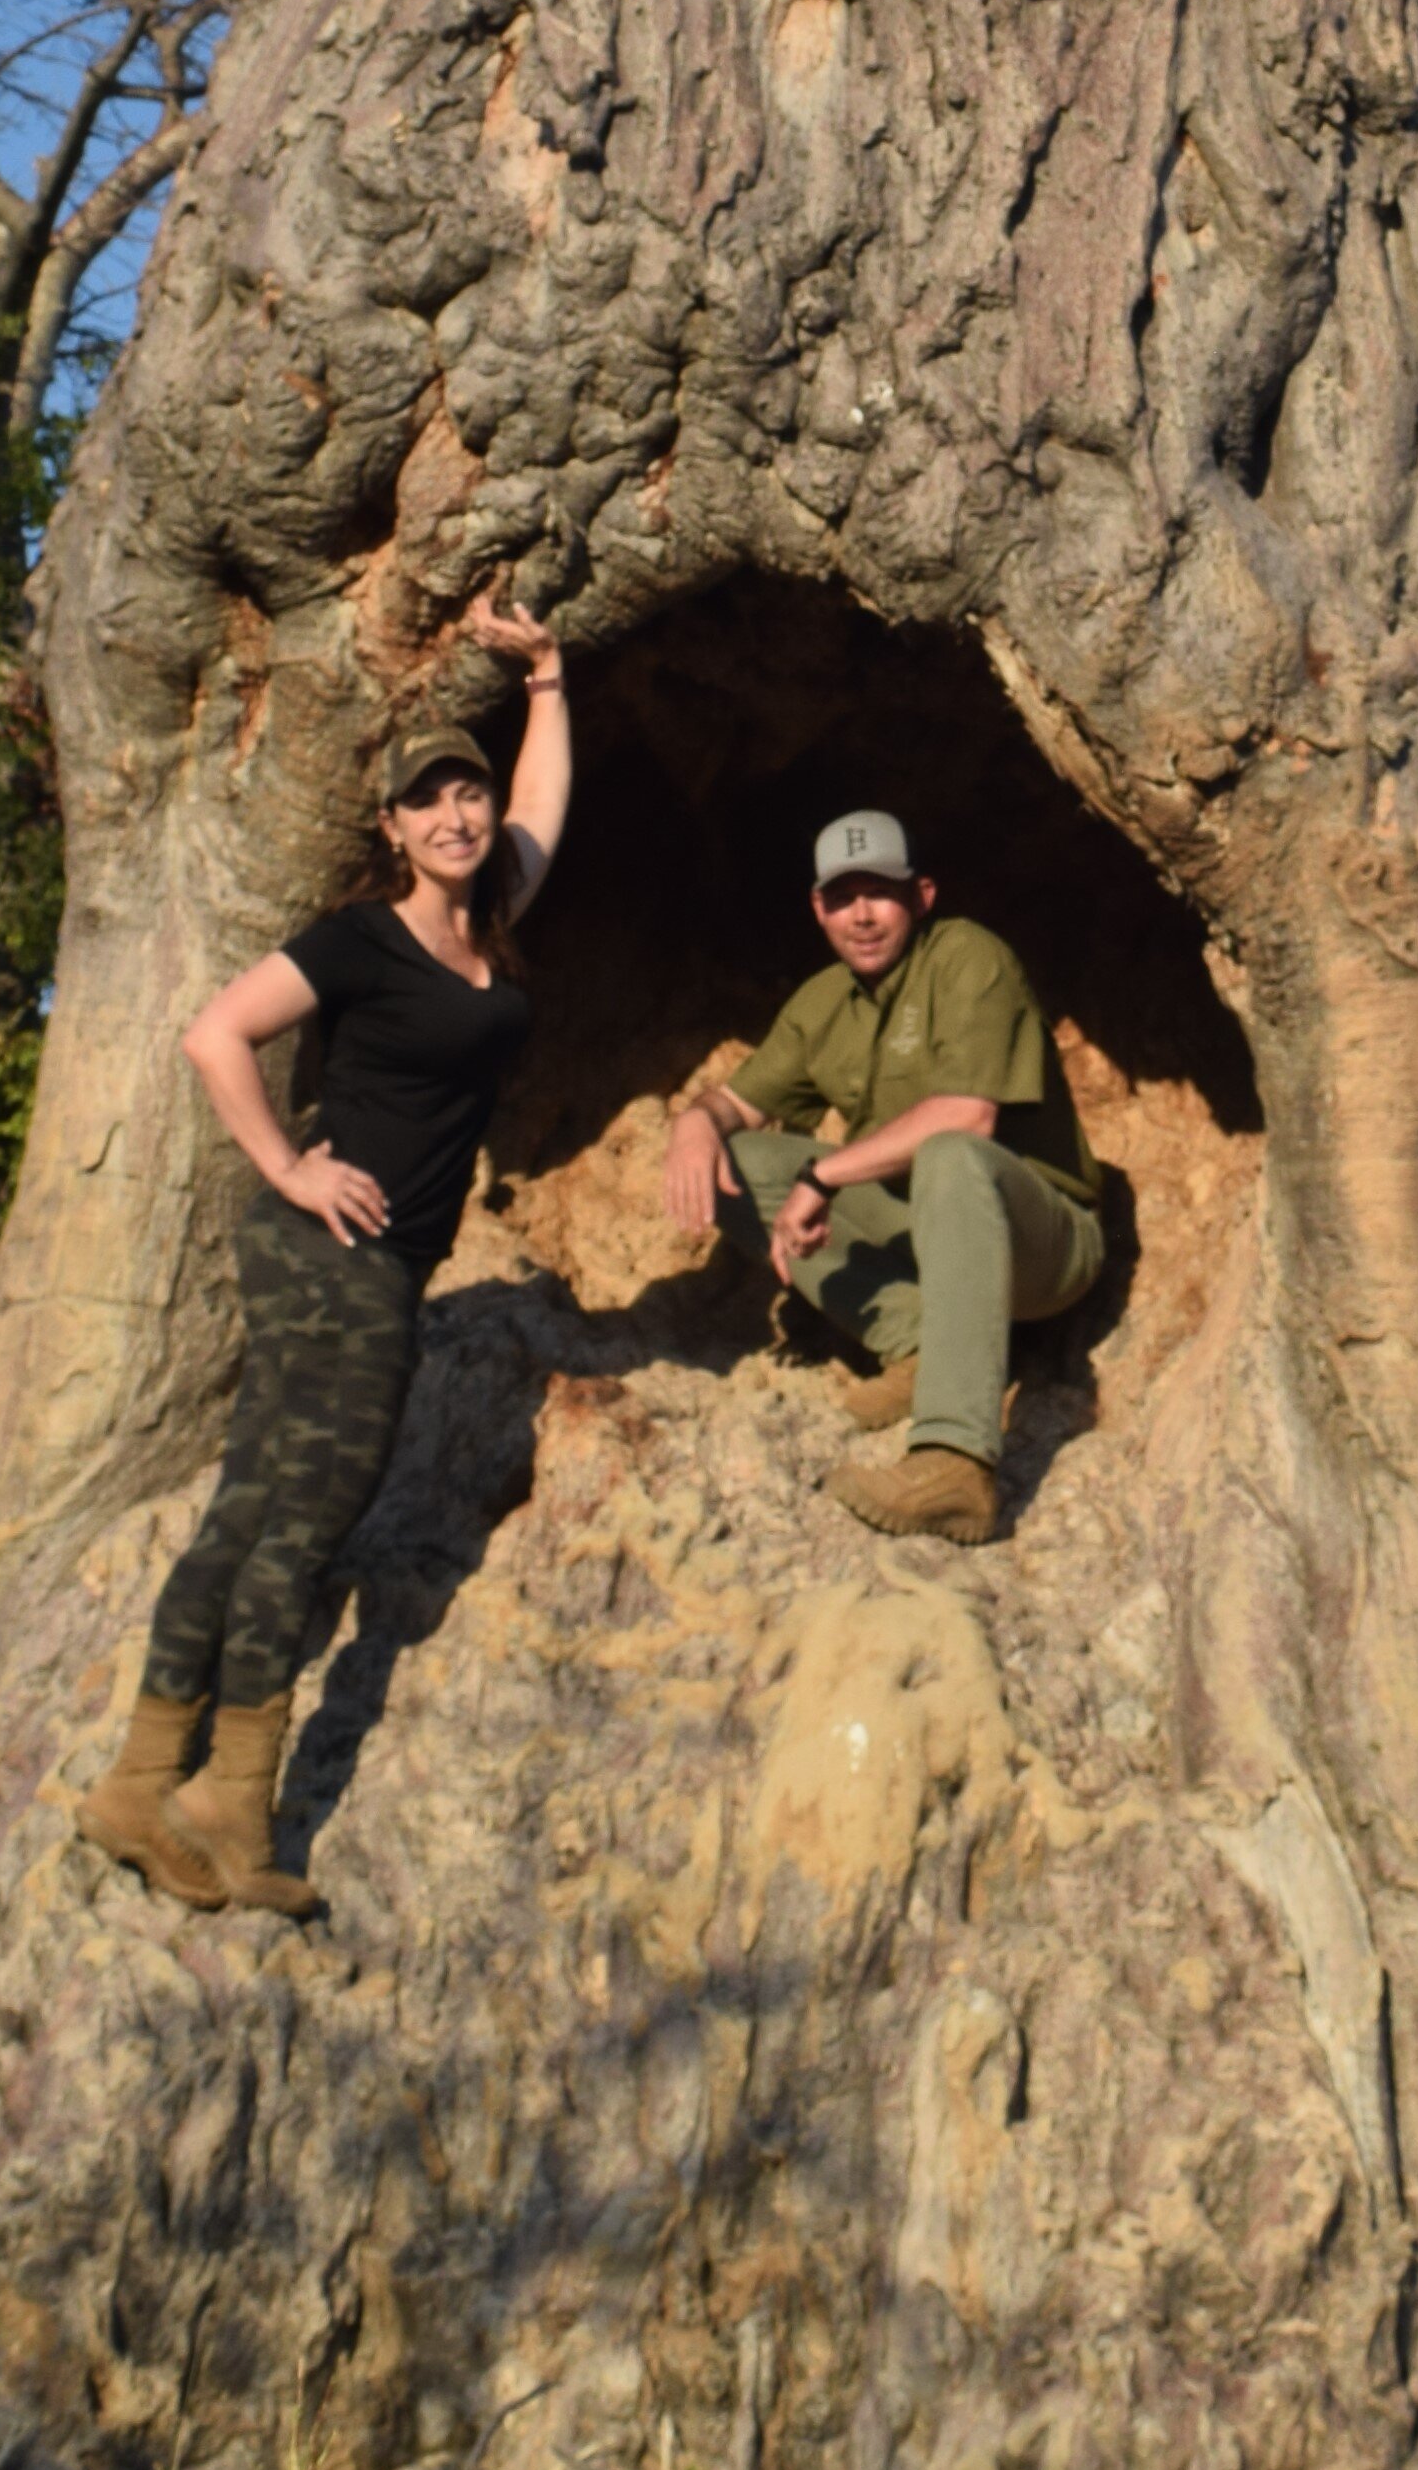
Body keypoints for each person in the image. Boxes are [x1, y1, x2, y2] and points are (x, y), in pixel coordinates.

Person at [76, 599, 568, 1916]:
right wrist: (288, 1162)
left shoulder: (495, 917)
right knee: (305, 1513)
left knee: (251, 1503)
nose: (457, 815)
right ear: (392, 828)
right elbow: (215, 1032)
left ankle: (143, 1782)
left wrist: (549, 677)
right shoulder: (363, 935)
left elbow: (545, 802)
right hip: (332, 1249)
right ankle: (234, 1806)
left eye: (466, 790)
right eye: (429, 802)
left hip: (364, 1260)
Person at [663, 809, 1104, 1549]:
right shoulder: (820, 1002)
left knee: (950, 1155)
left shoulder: (968, 957)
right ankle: (921, 1342)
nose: (861, 915)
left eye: (881, 892)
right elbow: (735, 1104)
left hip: (1039, 1243)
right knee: (734, 1160)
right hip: (922, 1231)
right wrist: (693, 1121)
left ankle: (955, 1463)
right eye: (842, 897)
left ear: (922, 894)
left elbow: (967, 1117)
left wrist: (825, 1173)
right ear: (817, 908)